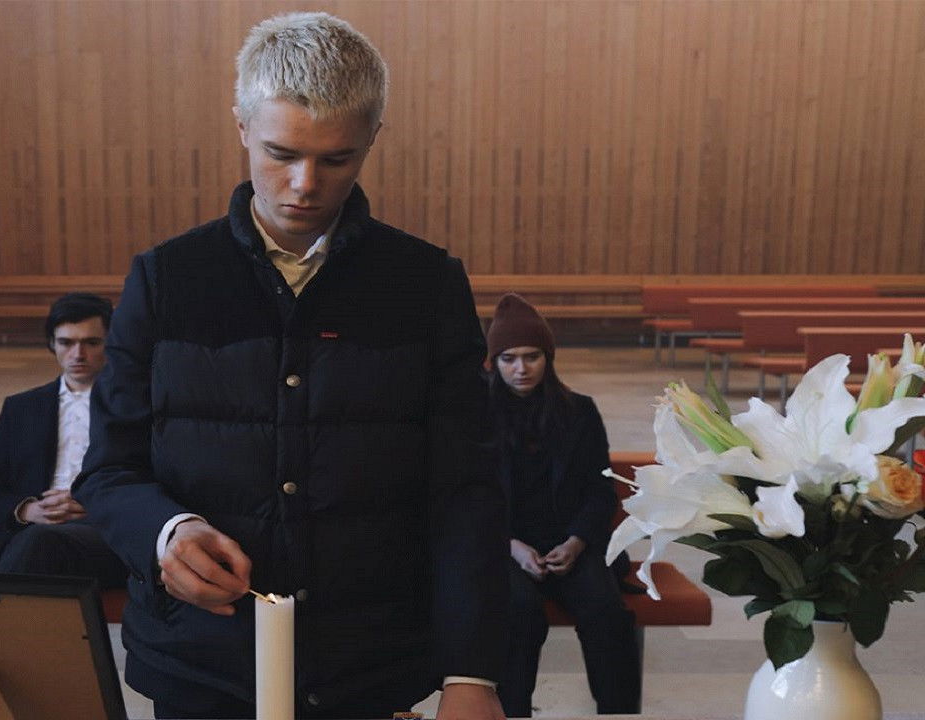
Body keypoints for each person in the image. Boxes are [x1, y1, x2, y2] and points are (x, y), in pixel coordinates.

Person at [75, 12, 507, 720]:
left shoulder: (424, 285)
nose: (305, 184)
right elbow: (108, 470)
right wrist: (166, 533)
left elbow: (467, 488)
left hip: (368, 661)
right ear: (242, 127)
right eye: (282, 153)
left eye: (337, 160)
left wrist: (472, 672)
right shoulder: (167, 279)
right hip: (202, 660)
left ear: (372, 139)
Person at [484, 293, 641, 717]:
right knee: (519, 613)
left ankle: (618, 712)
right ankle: (512, 712)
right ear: (494, 362)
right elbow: (466, 499)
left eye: (531, 357)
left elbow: (600, 491)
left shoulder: (579, 411)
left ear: (548, 358)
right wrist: (511, 546)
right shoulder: (475, 417)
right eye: (508, 359)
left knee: (606, 614)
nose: (521, 368)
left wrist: (576, 542)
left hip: (569, 543)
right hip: (502, 546)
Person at [0, 292, 126, 586]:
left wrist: (93, 503)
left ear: (111, 343)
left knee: (39, 544)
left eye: (92, 343)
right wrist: (28, 510)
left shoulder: (136, 406)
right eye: (66, 343)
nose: (78, 355)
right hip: (32, 534)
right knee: (34, 543)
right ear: (52, 344)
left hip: (106, 534)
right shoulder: (21, 408)